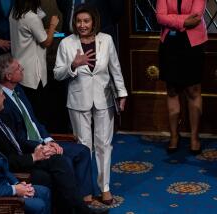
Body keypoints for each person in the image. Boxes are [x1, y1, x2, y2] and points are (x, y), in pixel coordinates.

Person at [0, 80, 109, 214]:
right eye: (1, 95)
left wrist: (41, 147)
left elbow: (18, 139)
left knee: (57, 160)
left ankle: (76, 210)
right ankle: (80, 211)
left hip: (25, 155)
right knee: (55, 168)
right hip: (18, 165)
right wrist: (33, 157)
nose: (4, 97)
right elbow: (5, 160)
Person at [53, 4, 127, 205]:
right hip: (78, 100)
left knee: (104, 145)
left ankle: (105, 188)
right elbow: (57, 74)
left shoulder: (107, 40)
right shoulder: (67, 44)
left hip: (104, 99)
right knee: (84, 146)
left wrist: (122, 94)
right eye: (79, 21)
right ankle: (85, 189)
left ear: (94, 21)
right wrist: (73, 65)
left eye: (86, 21)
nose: (82, 25)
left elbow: (115, 69)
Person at [156, 0, 207, 154]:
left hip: (193, 45)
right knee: (172, 90)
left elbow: (196, 19)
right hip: (169, 44)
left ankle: (194, 137)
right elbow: (160, 17)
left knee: (193, 90)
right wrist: (184, 21)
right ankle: (174, 136)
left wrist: (172, 19)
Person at [9, 0, 59, 121]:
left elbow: (27, 33)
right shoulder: (31, 17)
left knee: (26, 111)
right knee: (37, 112)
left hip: (19, 69)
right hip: (33, 74)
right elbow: (46, 42)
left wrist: (44, 31)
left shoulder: (14, 12)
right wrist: (52, 26)